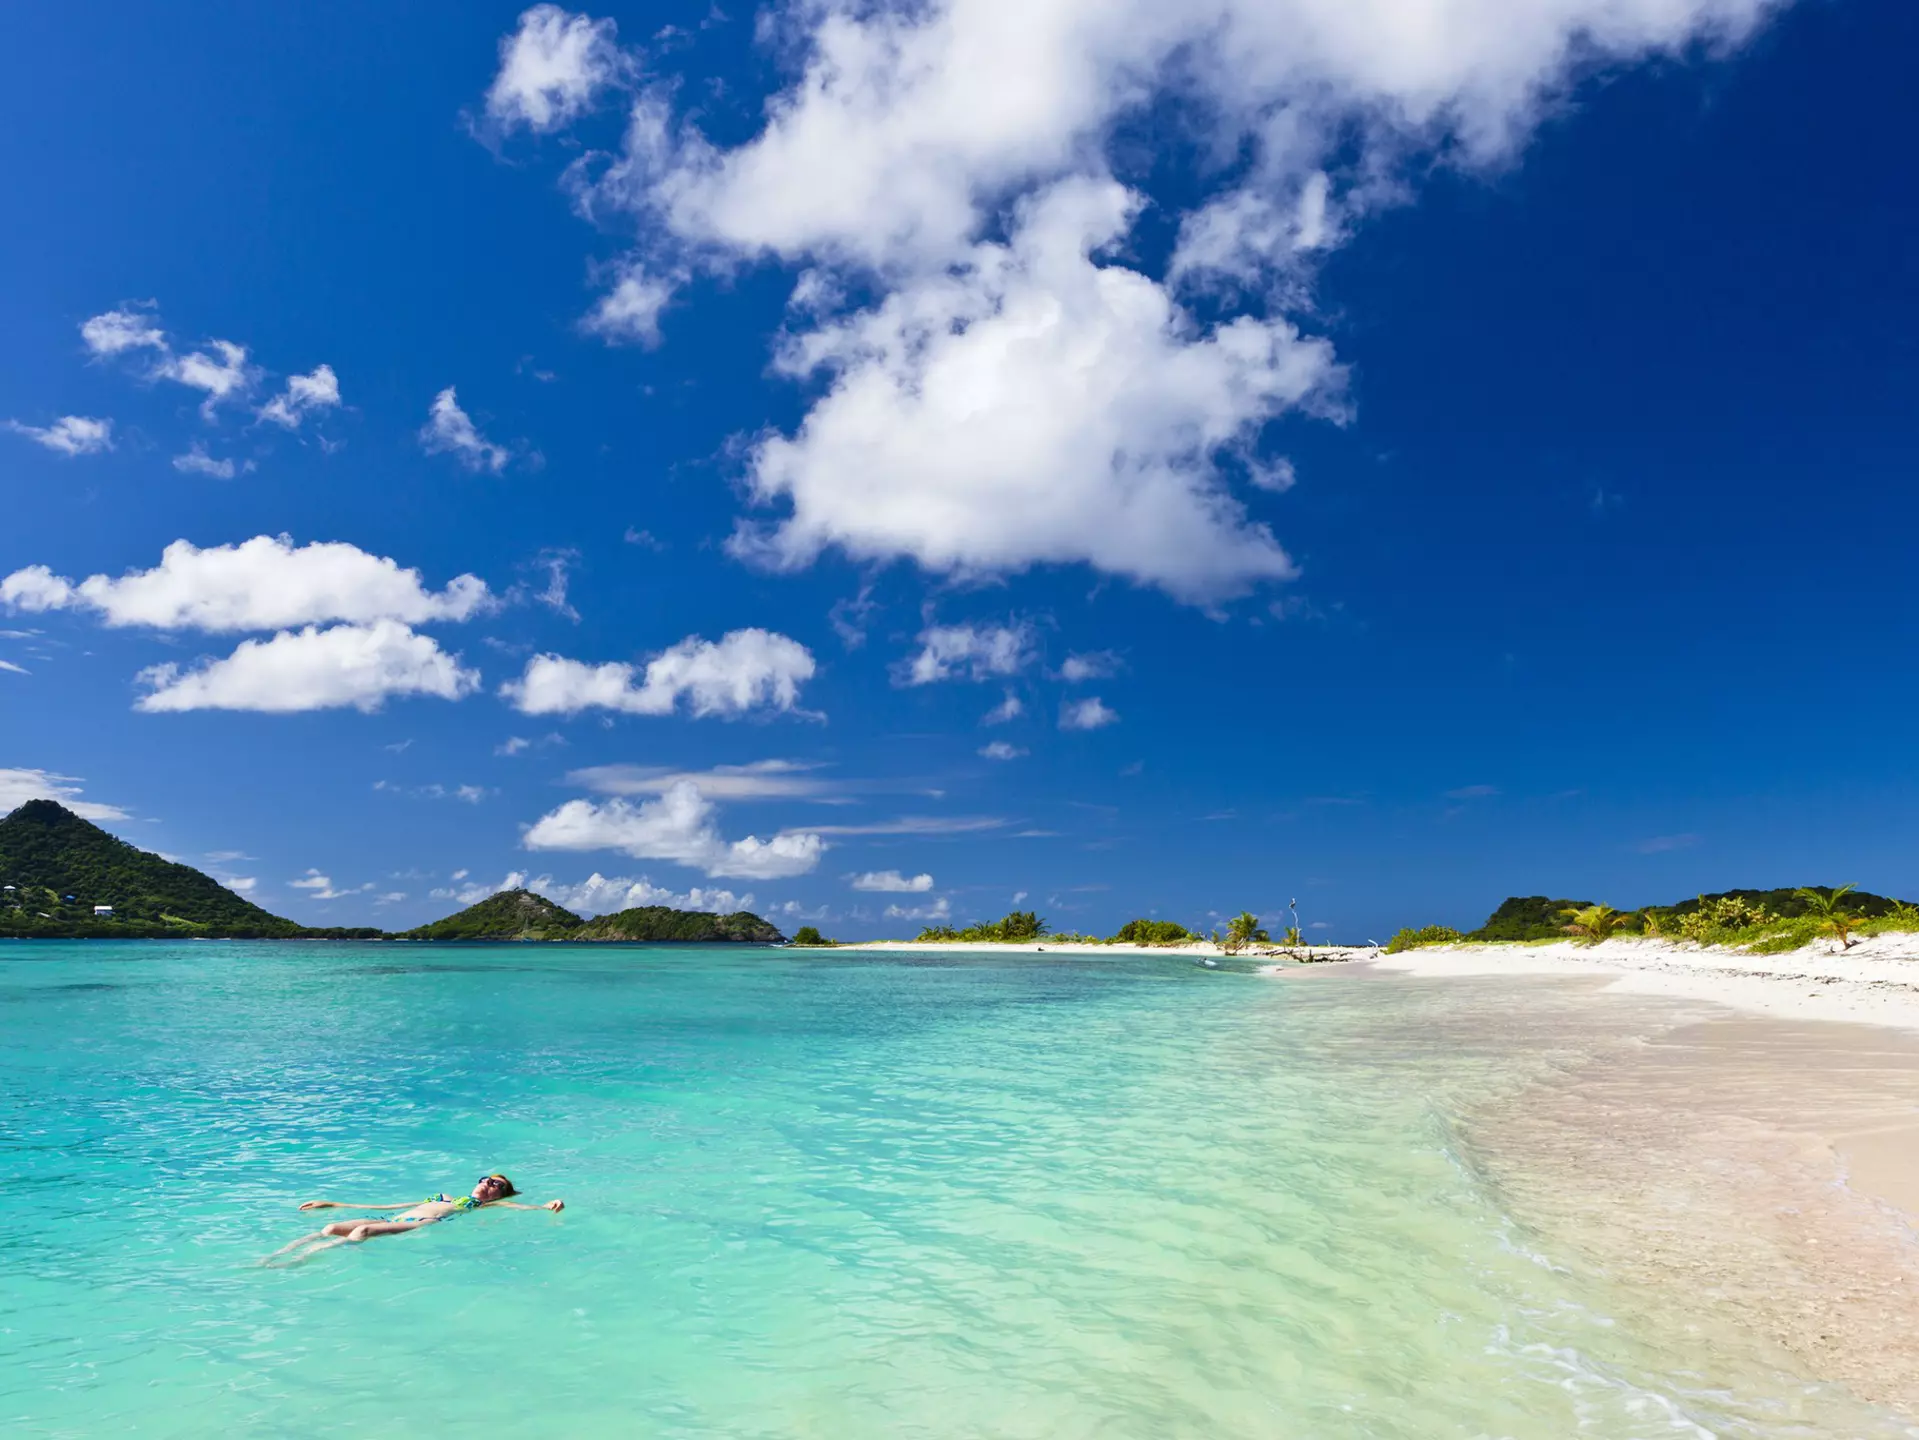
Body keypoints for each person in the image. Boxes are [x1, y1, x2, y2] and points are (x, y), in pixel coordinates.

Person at [262, 1173, 562, 1265]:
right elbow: (395, 1204)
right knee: (330, 1227)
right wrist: (334, 1203)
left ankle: (298, 1262)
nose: (488, 1183)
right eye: (486, 1178)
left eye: (496, 1184)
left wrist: (546, 1207)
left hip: (421, 1224)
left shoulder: (482, 1207)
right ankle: (275, 1256)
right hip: (396, 1216)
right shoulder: (443, 1196)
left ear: (500, 1195)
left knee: (363, 1231)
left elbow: (520, 1209)